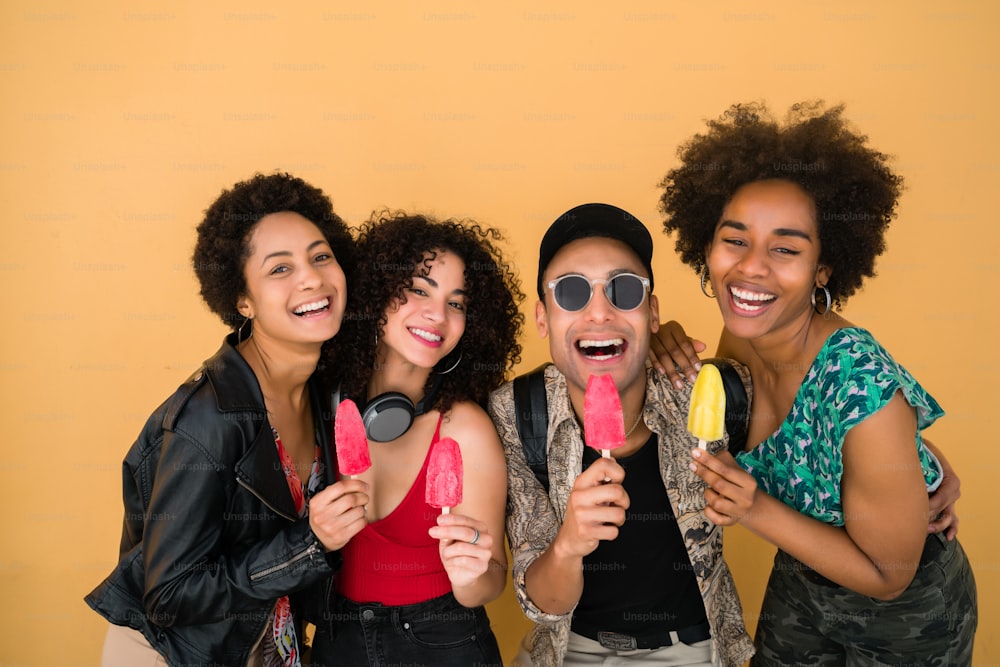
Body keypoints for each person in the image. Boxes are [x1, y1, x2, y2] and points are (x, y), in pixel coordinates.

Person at [659, 101, 978, 665]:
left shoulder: (858, 380)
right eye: (735, 240)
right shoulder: (746, 336)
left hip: (907, 613)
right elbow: (817, 440)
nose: (751, 268)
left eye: (785, 249)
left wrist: (753, 509)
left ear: (821, 273)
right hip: (802, 575)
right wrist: (664, 338)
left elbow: (887, 577)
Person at [86, 172, 369, 666]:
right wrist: (310, 543)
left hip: (262, 646)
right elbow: (170, 595)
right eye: (279, 269)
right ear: (243, 301)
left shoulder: (323, 391)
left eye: (321, 256)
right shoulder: (209, 420)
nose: (312, 278)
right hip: (175, 655)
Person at [489, 203, 755, 667]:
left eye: (625, 290)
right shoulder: (517, 413)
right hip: (569, 652)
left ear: (652, 314)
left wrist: (924, 468)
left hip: (693, 651)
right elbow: (543, 604)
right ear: (542, 319)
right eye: (571, 293)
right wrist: (570, 543)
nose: (599, 312)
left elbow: (815, 421)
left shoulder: (704, 392)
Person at [310, 211, 524, 666]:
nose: (437, 314)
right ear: (377, 292)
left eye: (457, 302)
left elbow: (492, 583)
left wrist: (469, 574)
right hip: (337, 639)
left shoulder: (463, 428)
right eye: (419, 290)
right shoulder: (321, 405)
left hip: (442, 640)